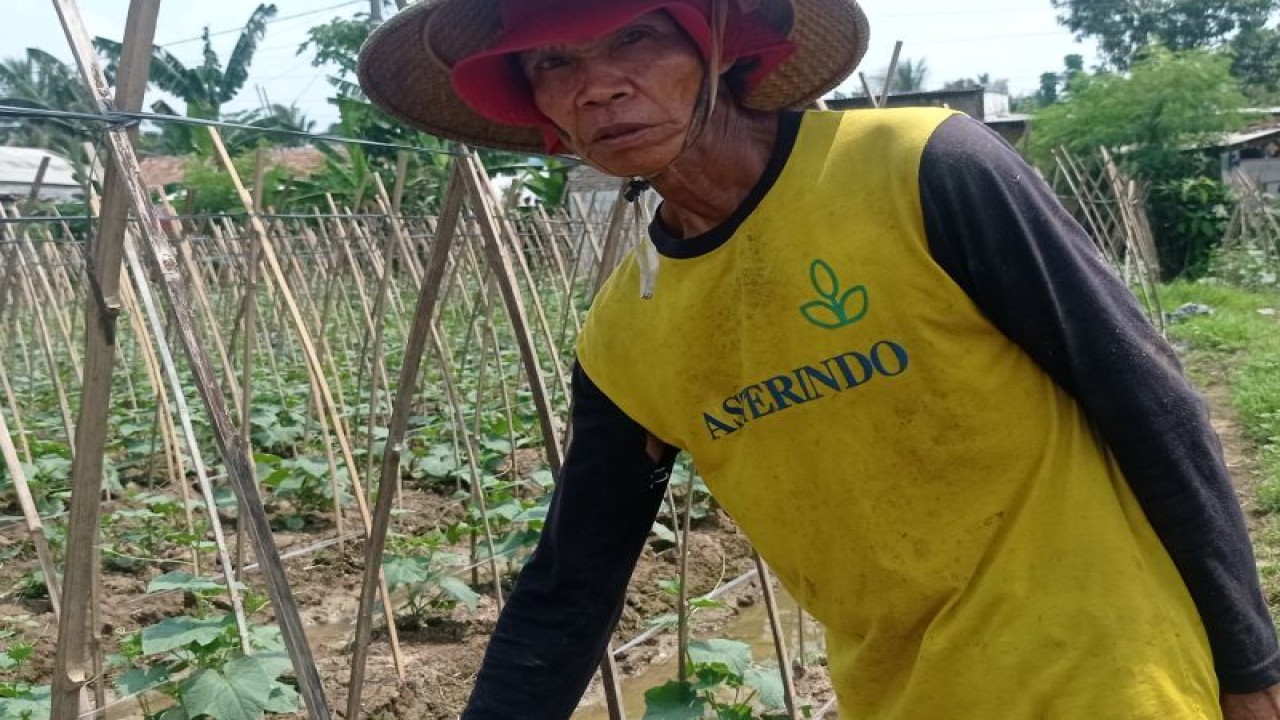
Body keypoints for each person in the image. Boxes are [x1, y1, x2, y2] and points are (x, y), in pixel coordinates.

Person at [357, 0, 1280, 716]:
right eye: (556, 61)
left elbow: (1149, 404)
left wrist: (1251, 668)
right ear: (539, 107)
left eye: (635, 38)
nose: (599, 84)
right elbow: (572, 581)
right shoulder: (624, 339)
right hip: (901, 699)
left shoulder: (922, 168)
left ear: (715, 42)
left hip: (1104, 676)